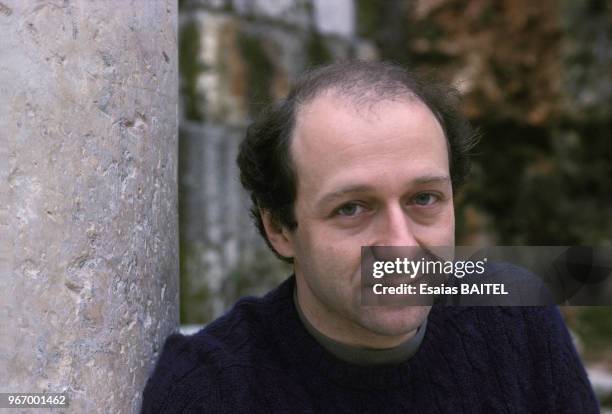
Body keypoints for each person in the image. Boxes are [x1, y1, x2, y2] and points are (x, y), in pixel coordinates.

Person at [141, 61, 599, 413]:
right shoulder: (210, 390)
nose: (399, 245)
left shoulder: (518, 315)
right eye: (352, 208)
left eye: (424, 199)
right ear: (279, 229)